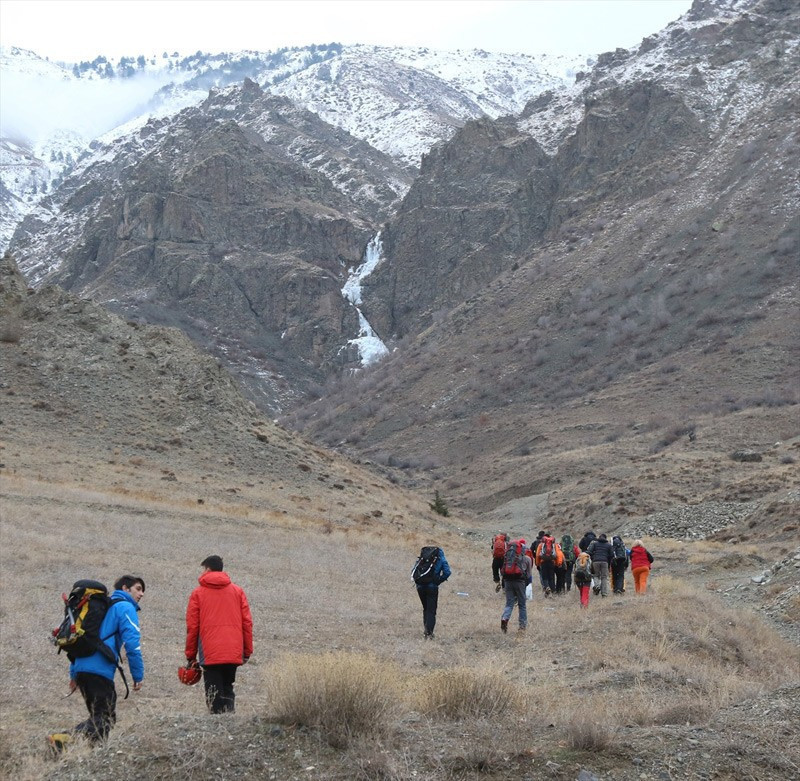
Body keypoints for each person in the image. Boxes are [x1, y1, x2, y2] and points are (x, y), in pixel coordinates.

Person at [49, 576, 145, 750]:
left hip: (82, 668)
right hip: (99, 670)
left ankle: (91, 756)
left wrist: (74, 674)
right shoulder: (124, 607)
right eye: (138, 588)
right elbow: (132, 644)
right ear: (125, 588)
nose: (142, 593)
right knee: (105, 718)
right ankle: (61, 740)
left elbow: (85, 639)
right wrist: (138, 676)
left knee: (99, 718)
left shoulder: (102, 607)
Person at [185, 555, 253, 714]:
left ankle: (217, 728)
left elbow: (192, 627)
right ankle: (229, 725)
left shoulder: (198, 593)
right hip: (233, 651)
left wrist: (190, 655)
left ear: (207, 569)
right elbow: (247, 623)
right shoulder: (238, 591)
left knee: (213, 693)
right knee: (228, 688)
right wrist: (247, 651)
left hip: (210, 652)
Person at [412, 545, 451, 639]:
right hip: (432, 587)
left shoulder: (422, 558)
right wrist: (438, 581)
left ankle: (426, 630)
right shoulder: (440, 558)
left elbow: (414, 571)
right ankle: (429, 633)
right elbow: (447, 572)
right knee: (431, 610)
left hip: (420, 586)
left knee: (425, 608)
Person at [500, 539, 533, 635]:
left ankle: (505, 618)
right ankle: (522, 627)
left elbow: (503, 570)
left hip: (508, 581)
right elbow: (528, 575)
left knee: (509, 603)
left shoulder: (507, 558)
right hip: (520, 582)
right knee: (522, 605)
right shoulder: (527, 559)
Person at [587, 533, 614, 597]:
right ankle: (604, 593)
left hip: (595, 561)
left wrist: (592, 558)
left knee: (596, 575)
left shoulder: (595, 543)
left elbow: (589, 552)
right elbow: (612, 555)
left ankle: (597, 586)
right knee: (604, 577)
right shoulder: (609, 545)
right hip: (605, 562)